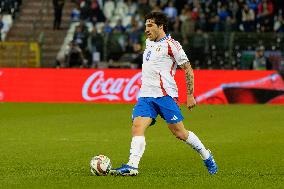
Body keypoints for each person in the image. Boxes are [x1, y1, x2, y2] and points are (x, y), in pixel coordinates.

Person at [110, 12, 218, 176]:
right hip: (146, 96)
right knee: (137, 127)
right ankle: (132, 166)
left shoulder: (172, 45)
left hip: (165, 96)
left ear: (160, 26)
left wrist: (190, 95)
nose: (146, 29)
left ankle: (206, 155)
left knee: (180, 133)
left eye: (150, 25)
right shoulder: (148, 42)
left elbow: (187, 69)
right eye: (146, 25)